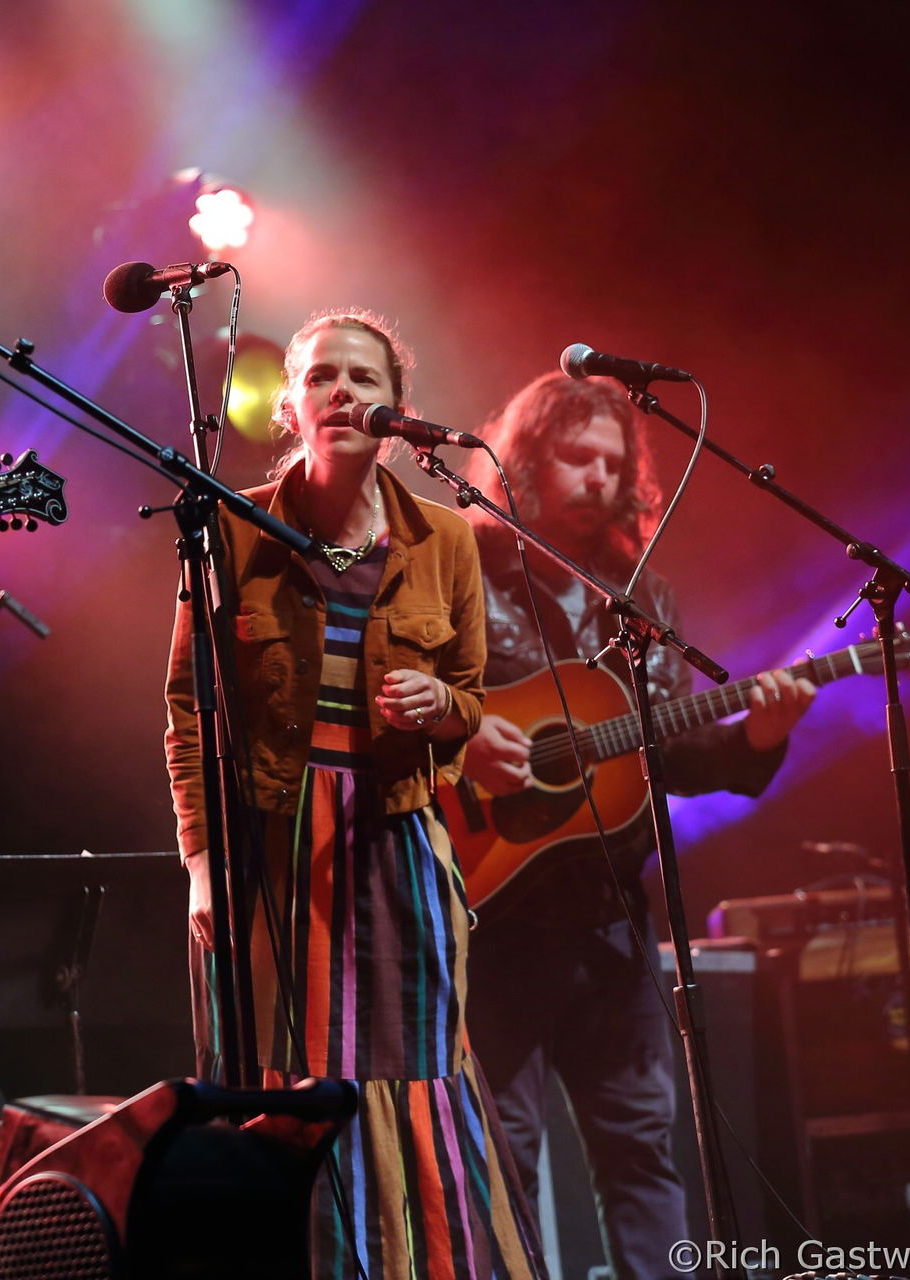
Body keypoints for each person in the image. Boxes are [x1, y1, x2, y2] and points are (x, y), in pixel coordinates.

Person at [165, 310, 544, 1280]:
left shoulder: (445, 537)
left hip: (392, 837)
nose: (340, 390)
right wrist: (202, 862)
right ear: (290, 406)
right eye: (320, 376)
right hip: (269, 839)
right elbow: (187, 709)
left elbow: (469, 701)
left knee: (414, 1067)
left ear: (396, 409)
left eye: (361, 377)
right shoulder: (230, 528)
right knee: (277, 1071)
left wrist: (441, 706)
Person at [458, 372, 815, 1280]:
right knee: (501, 1158)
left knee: (644, 1151)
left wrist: (757, 739)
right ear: (525, 460)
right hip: (494, 917)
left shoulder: (643, 599)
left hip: (612, 924)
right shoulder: (463, 569)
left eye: (612, 465)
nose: (597, 479)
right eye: (576, 458)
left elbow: (666, 754)